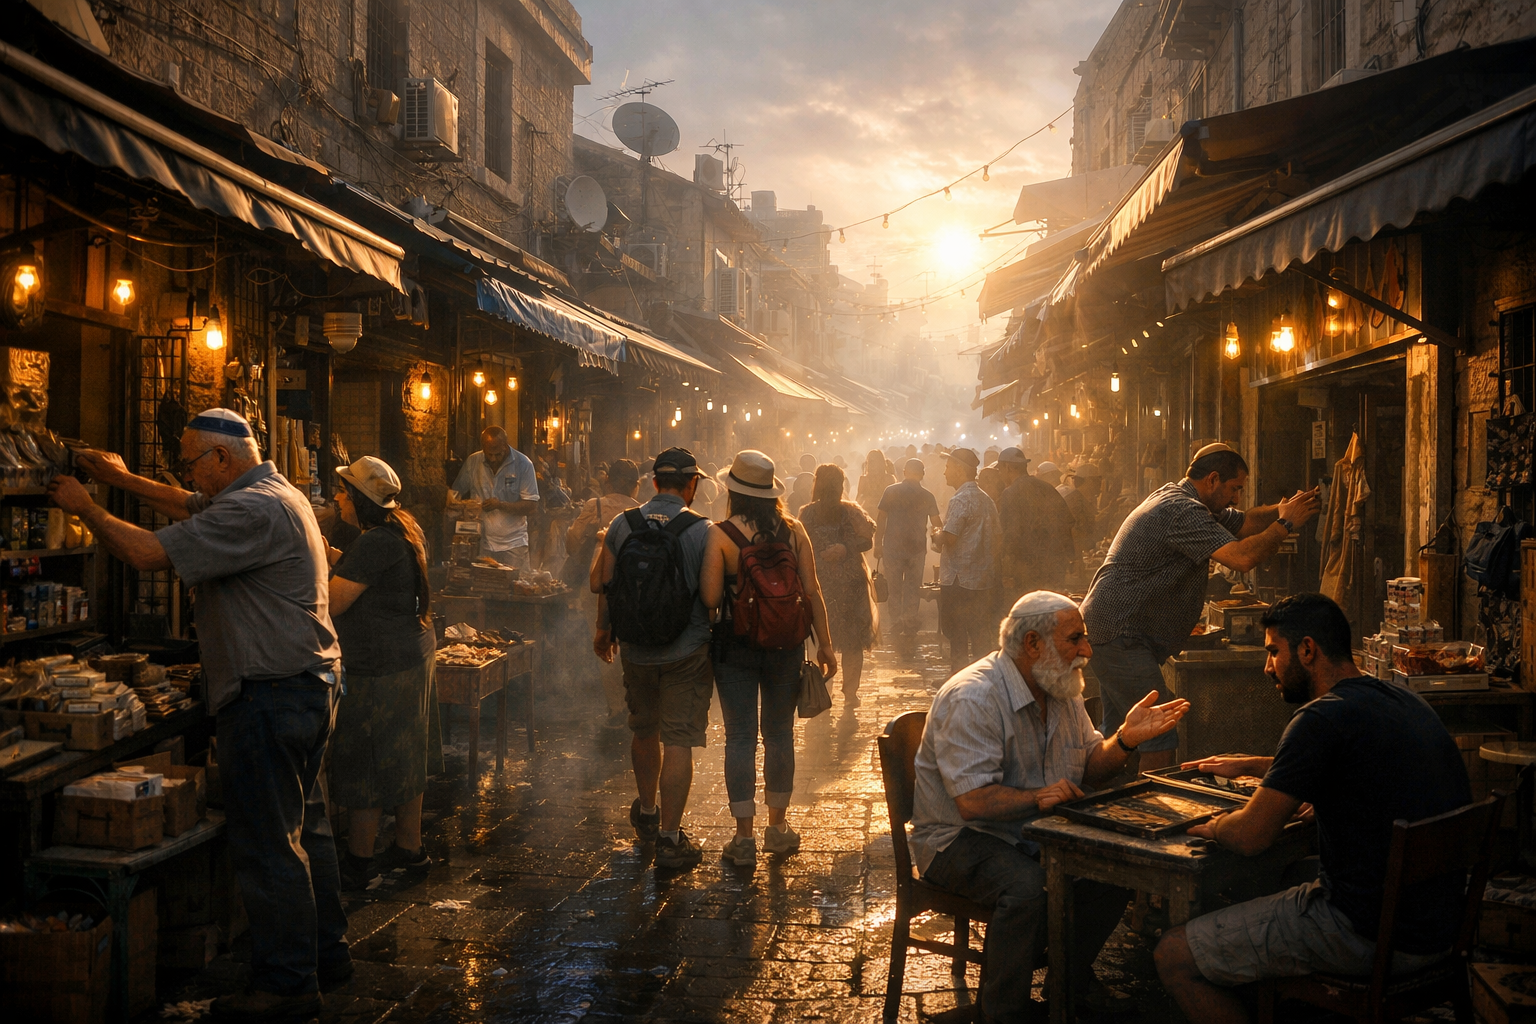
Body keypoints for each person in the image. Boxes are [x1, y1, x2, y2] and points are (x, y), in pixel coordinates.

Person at [59, 409, 348, 1019]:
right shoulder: (273, 491)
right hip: (307, 683)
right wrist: (121, 478)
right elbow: (189, 505)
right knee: (307, 829)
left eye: (191, 462)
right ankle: (326, 954)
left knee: (270, 844)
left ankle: (288, 986)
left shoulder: (251, 510)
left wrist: (86, 507)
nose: (187, 474)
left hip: (271, 693)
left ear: (222, 458)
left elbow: (144, 553)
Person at [1155, 594, 1473, 1024]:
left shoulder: (1318, 721)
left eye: (1273, 651)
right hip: (1439, 928)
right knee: (1276, 880)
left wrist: (1215, 825)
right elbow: (1353, 762)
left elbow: (1250, 837)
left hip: (1365, 933)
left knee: (1173, 955)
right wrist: (1257, 764)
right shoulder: (1402, 700)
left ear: (1307, 650)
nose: (1267, 667)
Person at [912, 592, 1189, 1022]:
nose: (1087, 650)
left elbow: (1091, 767)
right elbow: (972, 802)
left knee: (1117, 869)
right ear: (1032, 643)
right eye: (1075, 639)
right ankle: (1001, 1013)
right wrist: (1038, 797)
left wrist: (1125, 739)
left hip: (1033, 831)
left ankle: (1067, 983)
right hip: (959, 839)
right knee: (1027, 888)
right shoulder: (974, 696)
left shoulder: (1060, 687)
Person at [1080, 443, 1321, 771]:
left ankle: (1096, 791)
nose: (1237, 498)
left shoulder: (1193, 502)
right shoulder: (1181, 510)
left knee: (1120, 731)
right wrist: (1286, 525)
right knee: (1159, 731)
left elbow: (1246, 523)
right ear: (1212, 479)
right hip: (1120, 633)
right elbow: (1242, 557)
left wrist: (1283, 509)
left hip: (1113, 630)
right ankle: (1153, 802)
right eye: (1234, 489)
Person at [700, 450, 837, 868]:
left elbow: (710, 598)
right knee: (779, 735)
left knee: (740, 737)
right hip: (787, 645)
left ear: (733, 492)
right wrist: (825, 644)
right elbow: (812, 591)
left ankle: (743, 838)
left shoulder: (720, 535)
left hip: (735, 647)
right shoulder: (794, 531)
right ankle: (777, 829)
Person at [592, 447, 714, 870]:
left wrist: (603, 631)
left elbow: (604, 583)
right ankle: (670, 838)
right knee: (678, 739)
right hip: (686, 651)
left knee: (644, 729)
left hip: (637, 650)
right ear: (692, 484)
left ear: (654, 482)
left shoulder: (622, 524)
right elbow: (711, 596)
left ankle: (646, 812)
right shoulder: (702, 530)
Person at [325, 457, 440, 891]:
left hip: (380, 665)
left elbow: (335, 602)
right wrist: (333, 556)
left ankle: (360, 863)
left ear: (359, 499)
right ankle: (410, 848)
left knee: (366, 761)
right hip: (410, 655)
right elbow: (374, 573)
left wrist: (313, 567)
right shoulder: (402, 529)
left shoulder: (373, 542)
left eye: (343, 491)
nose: (338, 498)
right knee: (407, 753)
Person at [567, 459, 642, 724]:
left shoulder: (595, 506)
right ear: (636, 486)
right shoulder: (641, 511)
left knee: (603, 642)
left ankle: (616, 707)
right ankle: (633, 701)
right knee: (629, 643)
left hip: (598, 583)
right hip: (632, 587)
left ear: (608, 481)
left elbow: (572, 543)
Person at [797, 463, 876, 702]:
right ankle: (850, 692)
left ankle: (825, 689)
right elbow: (867, 541)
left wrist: (835, 549)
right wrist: (846, 548)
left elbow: (798, 545)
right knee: (853, 642)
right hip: (846, 585)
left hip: (820, 585)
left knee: (821, 639)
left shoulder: (807, 514)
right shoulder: (850, 511)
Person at [933, 448, 1000, 675]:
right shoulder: (987, 500)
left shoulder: (960, 499)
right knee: (980, 635)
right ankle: (982, 678)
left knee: (957, 635)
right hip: (982, 580)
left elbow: (950, 538)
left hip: (958, 581)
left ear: (960, 470)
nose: (945, 472)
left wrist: (936, 535)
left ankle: (959, 679)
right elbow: (997, 538)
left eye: (948, 467)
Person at [874, 458, 942, 660]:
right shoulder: (927, 495)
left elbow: (881, 518)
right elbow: (936, 523)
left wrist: (878, 544)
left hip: (893, 547)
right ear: (922, 474)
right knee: (913, 586)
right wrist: (939, 542)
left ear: (904, 472)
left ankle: (896, 621)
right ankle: (909, 621)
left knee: (894, 585)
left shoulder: (891, 491)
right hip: (916, 549)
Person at [450, 426, 539, 569]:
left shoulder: (523, 464)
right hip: (481, 543)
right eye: (489, 454)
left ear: (505, 445)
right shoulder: (473, 462)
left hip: (514, 544)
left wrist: (500, 505)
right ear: (483, 448)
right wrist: (465, 507)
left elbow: (531, 506)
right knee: (484, 581)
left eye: (497, 454)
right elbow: (456, 493)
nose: (493, 459)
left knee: (515, 581)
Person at [996, 447, 1074, 599]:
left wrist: (1006, 568)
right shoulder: (1047, 487)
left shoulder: (1010, 493)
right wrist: (1069, 558)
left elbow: (1011, 534)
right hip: (1054, 566)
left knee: (1030, 607)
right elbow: (1067, 523)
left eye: (1000, 469)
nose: (1000, 474)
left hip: (1026, 570)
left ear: (1008, 467)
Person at [856, 448, 893, 512]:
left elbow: (893, 499)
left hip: (884, 512)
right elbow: (858, 499)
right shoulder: (863, 479)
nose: (871, 464)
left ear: (880, 463)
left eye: (874, 461)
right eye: (869, 461)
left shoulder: (889, 479)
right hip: (867, 512)